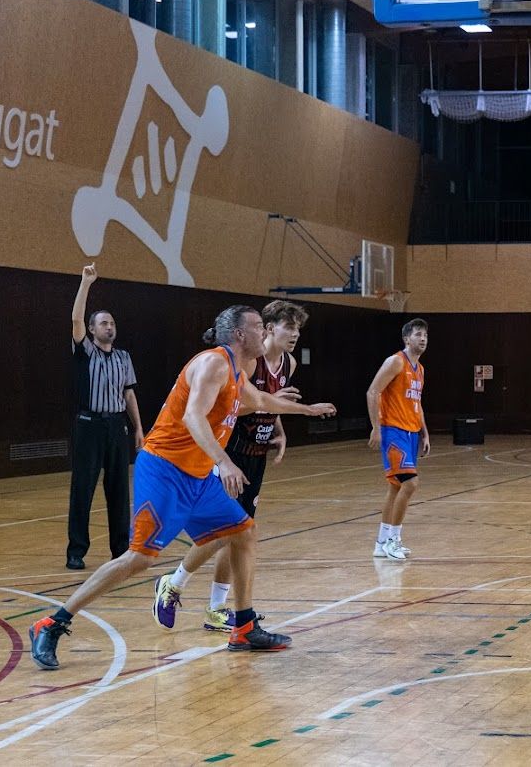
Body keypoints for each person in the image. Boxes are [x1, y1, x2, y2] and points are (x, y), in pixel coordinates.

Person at [29, 306, 336, 669]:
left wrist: (308, 411)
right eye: (257, 327)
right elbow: (193, 416)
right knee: (139, 558)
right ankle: (52, 622)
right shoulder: (213, 363)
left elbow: (257, 401)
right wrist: (225, 461)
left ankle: (244, 626)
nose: (264, 333)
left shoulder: (243, 369)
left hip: (197, 475)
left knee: (244, 532)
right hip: (165, 469)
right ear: (239, 335)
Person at [151, 301, 307, 633]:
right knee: (227, 532)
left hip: (256, 452)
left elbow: (268, 405)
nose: (294, 334)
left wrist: (277, 430)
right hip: (230, 450)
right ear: (268, 328)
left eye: (298, 328)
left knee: (236, 533)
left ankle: (212, 606)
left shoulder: (290, 363)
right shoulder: (249, 361)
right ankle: (178, 586)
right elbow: (236, 407)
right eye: (288, 327)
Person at [66, 264, 144, 570]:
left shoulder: (124, 357)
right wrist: (85, 283)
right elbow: (75, 318)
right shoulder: (84, 351)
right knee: (83, 488)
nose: (109, 326)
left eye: (111, 322)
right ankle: (76, 551)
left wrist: (138, 428)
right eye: (103, 323)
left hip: (116, 426)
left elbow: (129, 395)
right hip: (89, 426)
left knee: (118, 489)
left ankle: (120, 548)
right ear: (92, 329)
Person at [368, 318, 429, 560]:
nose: (422, 338)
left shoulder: (420, 369)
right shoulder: (395, 362)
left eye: (425, 334)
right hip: (393, 431)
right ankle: (393, 539)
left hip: (411, 432)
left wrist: (424, 431)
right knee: (410, 484)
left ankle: (381, 542)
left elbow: (417, 403)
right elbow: (373, 391)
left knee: (395, 487)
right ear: (406, 339)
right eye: (417, 334)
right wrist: (376, 427)